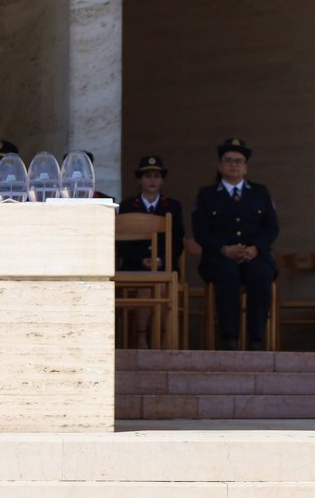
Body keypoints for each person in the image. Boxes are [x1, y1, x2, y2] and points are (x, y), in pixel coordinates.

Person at [193, 137, 279, 350]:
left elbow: (271, 228)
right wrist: (224, 249)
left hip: (255, 255)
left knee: (260, 274)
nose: (233, 165)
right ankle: (230, 338)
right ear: (220, 166)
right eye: (228, 161)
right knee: (228, 273)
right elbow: (200, 232)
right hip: (218, 257)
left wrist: (255, 248)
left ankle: (256, 339)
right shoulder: (206, 195)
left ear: (246, 167)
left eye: (238, 161)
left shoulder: (260, 192)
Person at [118, 155, 186, 271]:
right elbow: (122, 243)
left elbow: (177, 241)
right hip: (134, 266)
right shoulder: (127, 206)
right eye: (147, 176)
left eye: (156, 176)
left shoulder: (173, 207)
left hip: (164, 266)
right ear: (139, 180)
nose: (152, 180)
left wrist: (161, 260)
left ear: (162, 181)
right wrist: (140, 259)